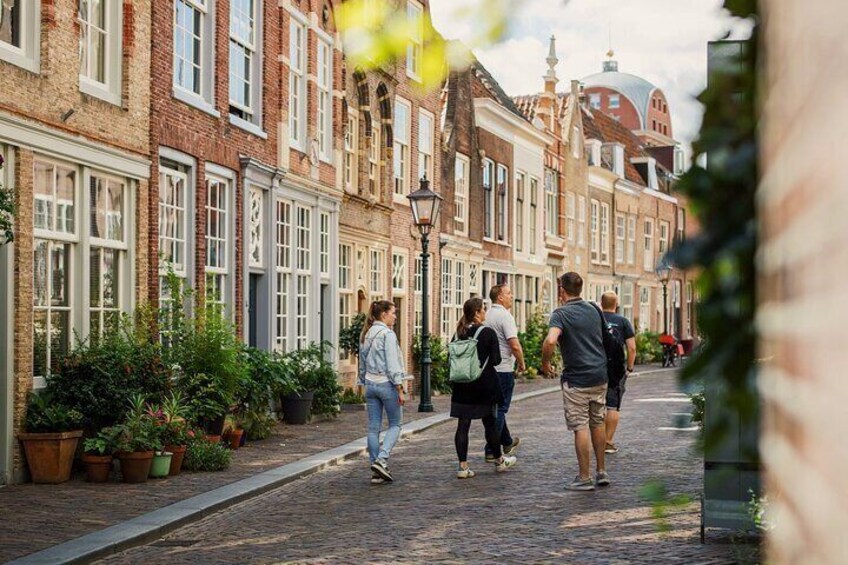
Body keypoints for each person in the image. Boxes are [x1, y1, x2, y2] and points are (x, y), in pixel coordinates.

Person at [541, 272, 610, 491]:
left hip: (577, 379)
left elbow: (551, 340)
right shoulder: (594, 309)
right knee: (597, 422)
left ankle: (584, 477)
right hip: (600, 376)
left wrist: (545, 363)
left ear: (562, 290)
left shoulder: (560, 314)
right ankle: (601, 472)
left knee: (580, 426)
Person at [451, 297, 518, 479]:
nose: (485, 313)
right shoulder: (487, 332)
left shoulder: (458, 333)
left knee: (462, 425)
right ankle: (499, 461)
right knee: (489, 424)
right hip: (483, 385)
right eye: (483, 310)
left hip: (462, 385)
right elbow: (496, 360)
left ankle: (463, 467)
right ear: (477, 313)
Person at [358, 300, 406, 484]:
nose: (395, 316)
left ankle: (376, 470)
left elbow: (362, 363)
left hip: (370, 384)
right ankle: (381, 459)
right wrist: (399, 388)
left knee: (373, 428)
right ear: (384, 314)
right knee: (396, 424)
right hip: (386, 384)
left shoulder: (366, 333)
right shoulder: (388, 334)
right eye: (393, 313)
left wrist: (364, 382)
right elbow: (392, 364)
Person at [483, 284, 526, 461]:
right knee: (500, 408)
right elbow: (514, 344)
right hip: (503, 369)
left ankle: (506, 441)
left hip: (487, 370)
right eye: (509, 293)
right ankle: (491, 449)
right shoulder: (505, 317)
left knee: (495, 407)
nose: (512, 296)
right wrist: (522, 363)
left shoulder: (486, 315)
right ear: (500, 297)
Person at [600, 291, 636, 454]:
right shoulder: (623, 322)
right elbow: (632, 348)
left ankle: (597, 440)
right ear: (617, 303)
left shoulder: (596, 320)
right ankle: (607, 441)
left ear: (601, 303)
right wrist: (629, 367)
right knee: (613, 406)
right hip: (616, 368)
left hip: (596, 367)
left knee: (596, 406)